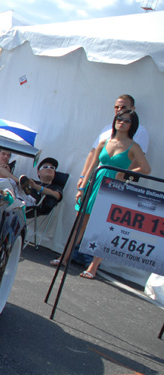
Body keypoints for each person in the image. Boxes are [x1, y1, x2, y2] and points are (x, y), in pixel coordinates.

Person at [52, 110, 151, 279]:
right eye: (119, 118)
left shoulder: (133, 146)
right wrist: (82, 188)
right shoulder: (104, 142)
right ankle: (64, 257)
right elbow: (92, 166)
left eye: (127, 121)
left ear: (132, 125)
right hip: (95, 184)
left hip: (114, 188)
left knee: (103, 229)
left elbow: (146, 169)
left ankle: (93, 267)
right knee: (79, 224)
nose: (122, 122)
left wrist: (125, 173)